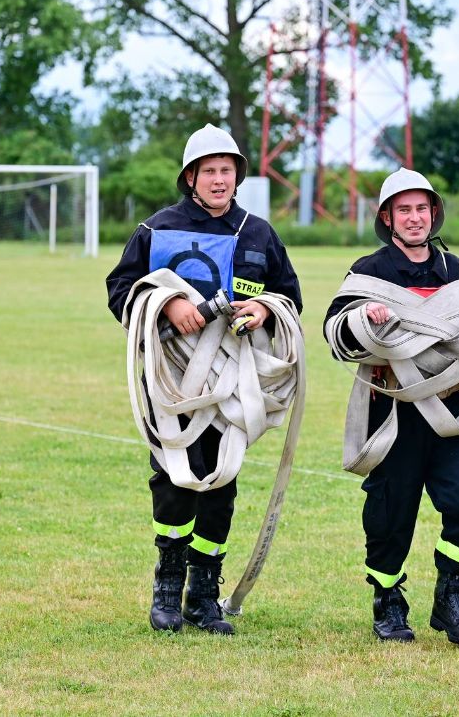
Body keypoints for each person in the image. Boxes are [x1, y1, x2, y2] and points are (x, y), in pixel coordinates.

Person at [106, 124, 302, 635]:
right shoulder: (155, 230)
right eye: (209, 171)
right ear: (191, 177)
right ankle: (168, 588)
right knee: (174, 477)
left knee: (222, 480)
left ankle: (203, 595)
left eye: (227, 170)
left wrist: (263, 308)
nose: (219, 180)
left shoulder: (259, 233)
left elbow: (290, 297)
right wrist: (167, 303)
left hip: (235, 382)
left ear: (238, 175)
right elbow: (119, 289)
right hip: (172, 379)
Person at [323, 168, 459, 646]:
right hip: (391, 415)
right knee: (390, 517)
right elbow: (336, 334)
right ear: (388, 218)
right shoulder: (369, 270)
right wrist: (362, 319)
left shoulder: (453, 270)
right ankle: (388, 601)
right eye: (404, 210)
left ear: (434, 214)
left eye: (422, 209)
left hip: (449, 413)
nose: (414, 219)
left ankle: (451, 599)